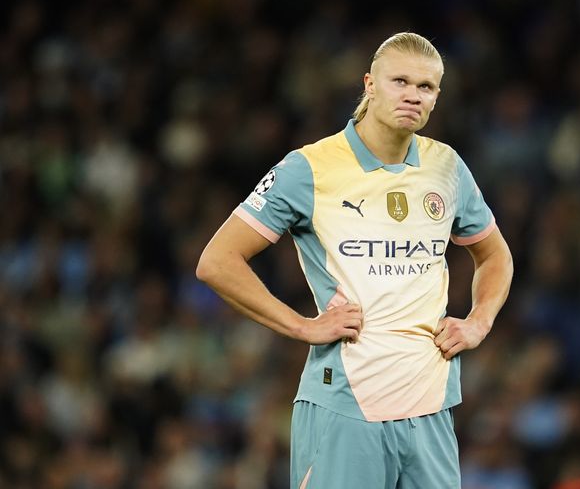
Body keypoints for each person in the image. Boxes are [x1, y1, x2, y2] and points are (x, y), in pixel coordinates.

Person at [196, 32, 513, 489]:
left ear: (437, 96)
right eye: (399, 81)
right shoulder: (308, 168)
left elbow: (495, 255)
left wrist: (479, 321)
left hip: (430, 406)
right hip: (346, 405)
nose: (412, 95)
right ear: (369, 84)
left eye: (425, 87)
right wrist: (301, 326)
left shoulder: (447, 166)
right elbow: (217, 261)